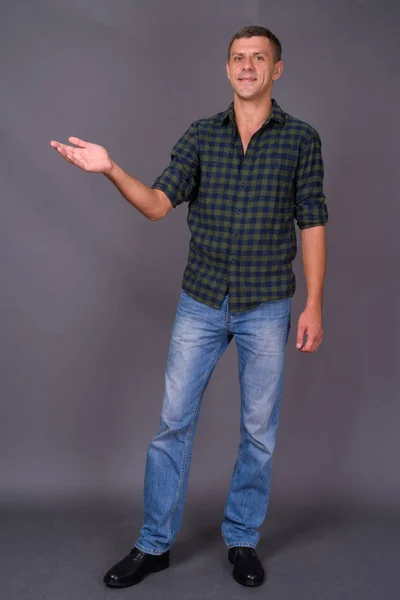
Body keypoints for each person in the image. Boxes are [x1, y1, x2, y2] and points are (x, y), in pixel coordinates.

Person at [50, 25, 328, 588]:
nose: (246, 66)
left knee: (258, 431)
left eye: (258, 58)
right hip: (201, 300)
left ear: (277, 70)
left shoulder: (301, 139)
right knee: (172, 425)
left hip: (268, 303)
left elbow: (313, 221)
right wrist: (110, 169)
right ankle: (153, 545)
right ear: (227, 70)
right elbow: (156, 205)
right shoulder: (201, 136)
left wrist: (314, 303)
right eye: (237, 58)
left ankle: (243, 540)